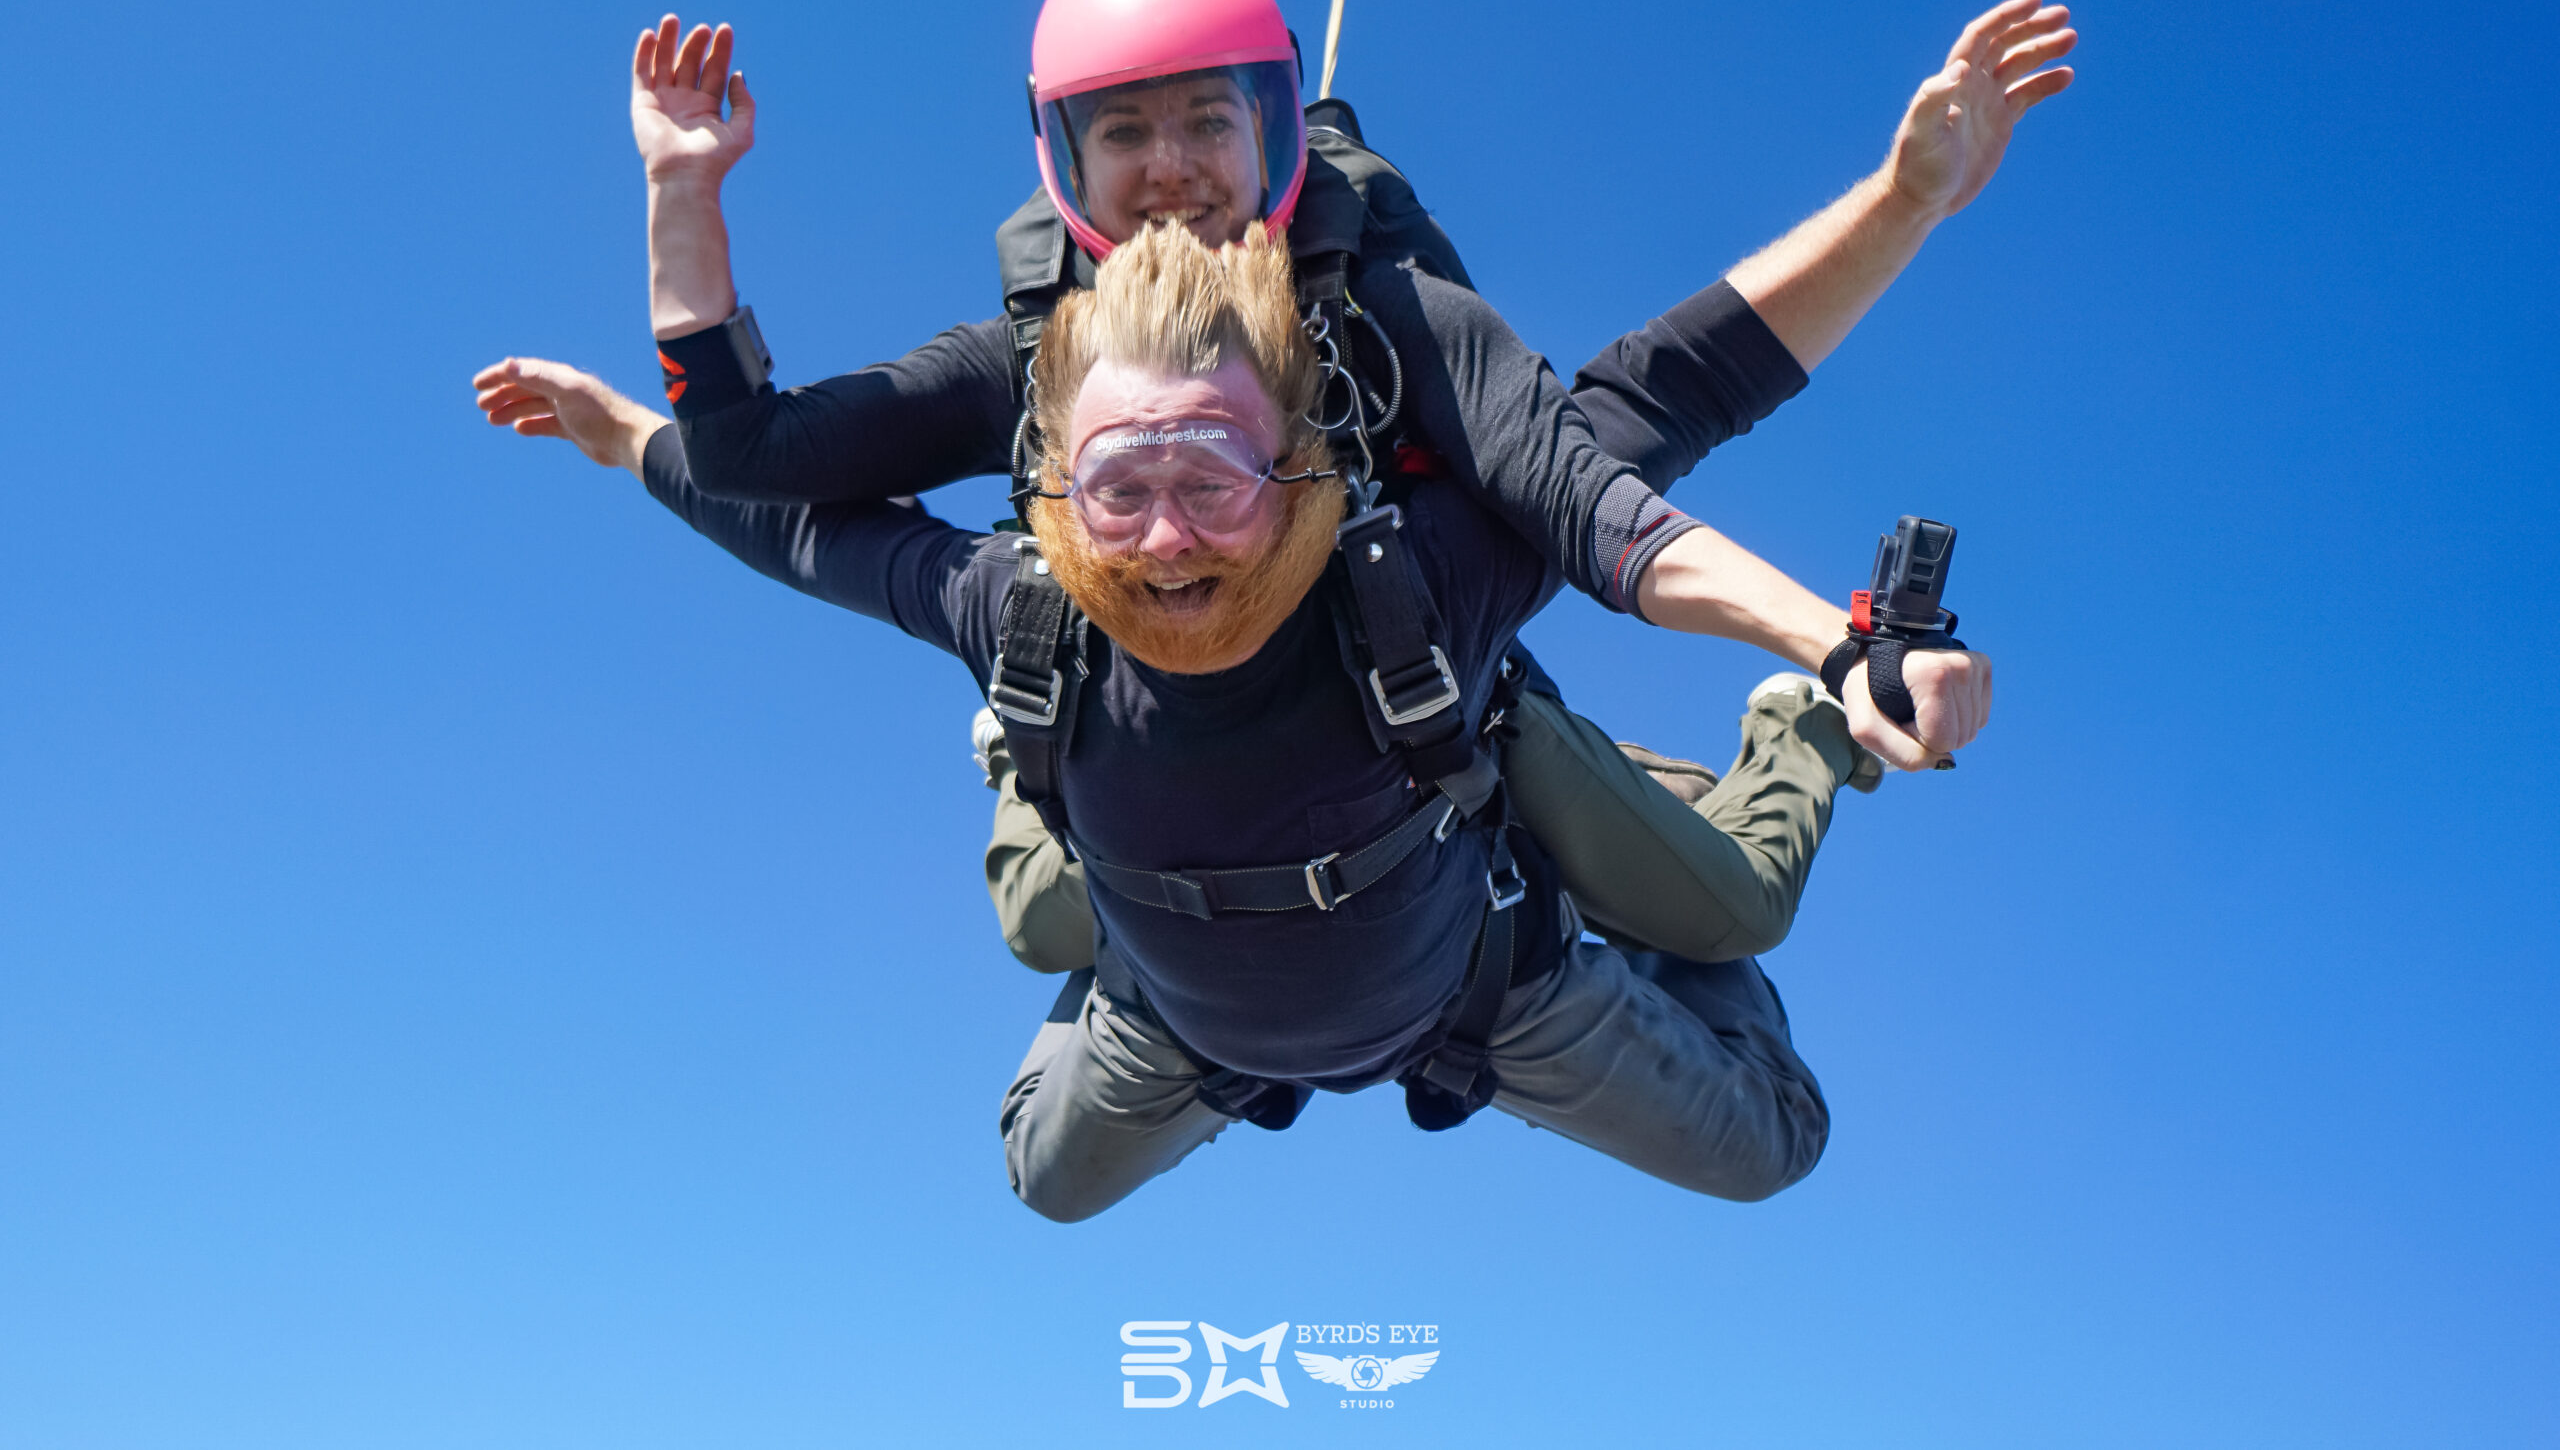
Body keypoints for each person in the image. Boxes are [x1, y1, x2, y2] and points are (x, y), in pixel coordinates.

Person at [478, 0, 2061, 971]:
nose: (1170, 169)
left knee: (1724, 915)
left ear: (1275, 132)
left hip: (1427, 711)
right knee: (1046, 920)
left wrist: (1842, 650)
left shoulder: (1389, 324)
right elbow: (769, 464)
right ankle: (1044, 782)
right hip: (1160, 753)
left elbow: (1606, 470)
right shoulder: (1037, 364)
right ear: (1066, 164)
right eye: (1124, 132)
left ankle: (1784, 745)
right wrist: (678, 220)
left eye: (1205, 123)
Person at [477, 220, 1965, 1218]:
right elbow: (802, 535)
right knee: (1043, 1178)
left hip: (1480, 978)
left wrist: (1905, 206)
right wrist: (631, 440)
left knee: (1774, 1132)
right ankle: (1074, 837)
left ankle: (1625, 844)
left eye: (1218, 480)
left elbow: (1657, 400)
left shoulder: (1418, 588)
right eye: (1124, 491)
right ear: (1055, 501)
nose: (1174, 542)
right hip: (1190, 1004)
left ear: (1307, 473)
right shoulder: (1027, 612)